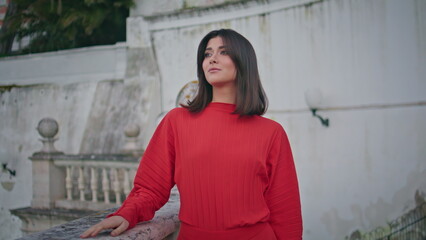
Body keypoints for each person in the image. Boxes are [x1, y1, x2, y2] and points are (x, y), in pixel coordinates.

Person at [81, 29, 302, 240]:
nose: (212, 59)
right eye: (207, 54)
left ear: (243, 62)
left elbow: (285, 211)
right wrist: (126, 213)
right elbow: (150, 188)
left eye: (223, 52)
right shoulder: (177, 121)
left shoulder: (271, 132)